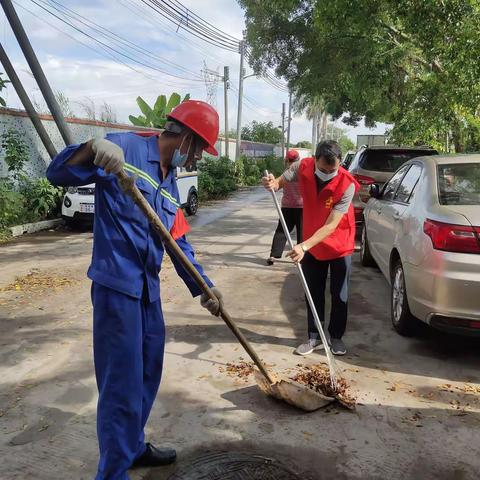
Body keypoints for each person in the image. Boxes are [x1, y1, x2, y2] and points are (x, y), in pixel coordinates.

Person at [47, 100, 223, 480]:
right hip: (117, 288)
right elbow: (57, 173)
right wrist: (91, 149)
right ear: (187, 139)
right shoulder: (122, 148)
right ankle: (112, 472)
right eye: (199, 150)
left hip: (147, 291)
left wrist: (205, 288)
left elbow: (178, 244)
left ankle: (133, 445)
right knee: (121, 386)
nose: (197, 160)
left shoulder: (171, 182)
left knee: (147, 373)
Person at [262, 140, 359, 356]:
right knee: (312, 291)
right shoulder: (301, 166)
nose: (327, 173)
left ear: (340, 164)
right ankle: (314, 337)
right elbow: (280, 182)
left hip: (339, 243)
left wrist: (303, 245)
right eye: (323, 169)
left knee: (339, 294)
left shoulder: (347, 184)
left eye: (332, 170)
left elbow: (332, 224)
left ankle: (336, 337)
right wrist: (272, 183)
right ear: (315, 160)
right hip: (311, 243)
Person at [266, 149, 303, 265]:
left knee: (281, 231)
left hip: (287, 206)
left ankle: (273, 255)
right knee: (302, 232)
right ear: (298, 160)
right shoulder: (301, 172)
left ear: (287, 160)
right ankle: (301, 257)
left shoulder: (286, 173)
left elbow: (277, 186)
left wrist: (273, 184)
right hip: (302, 207)